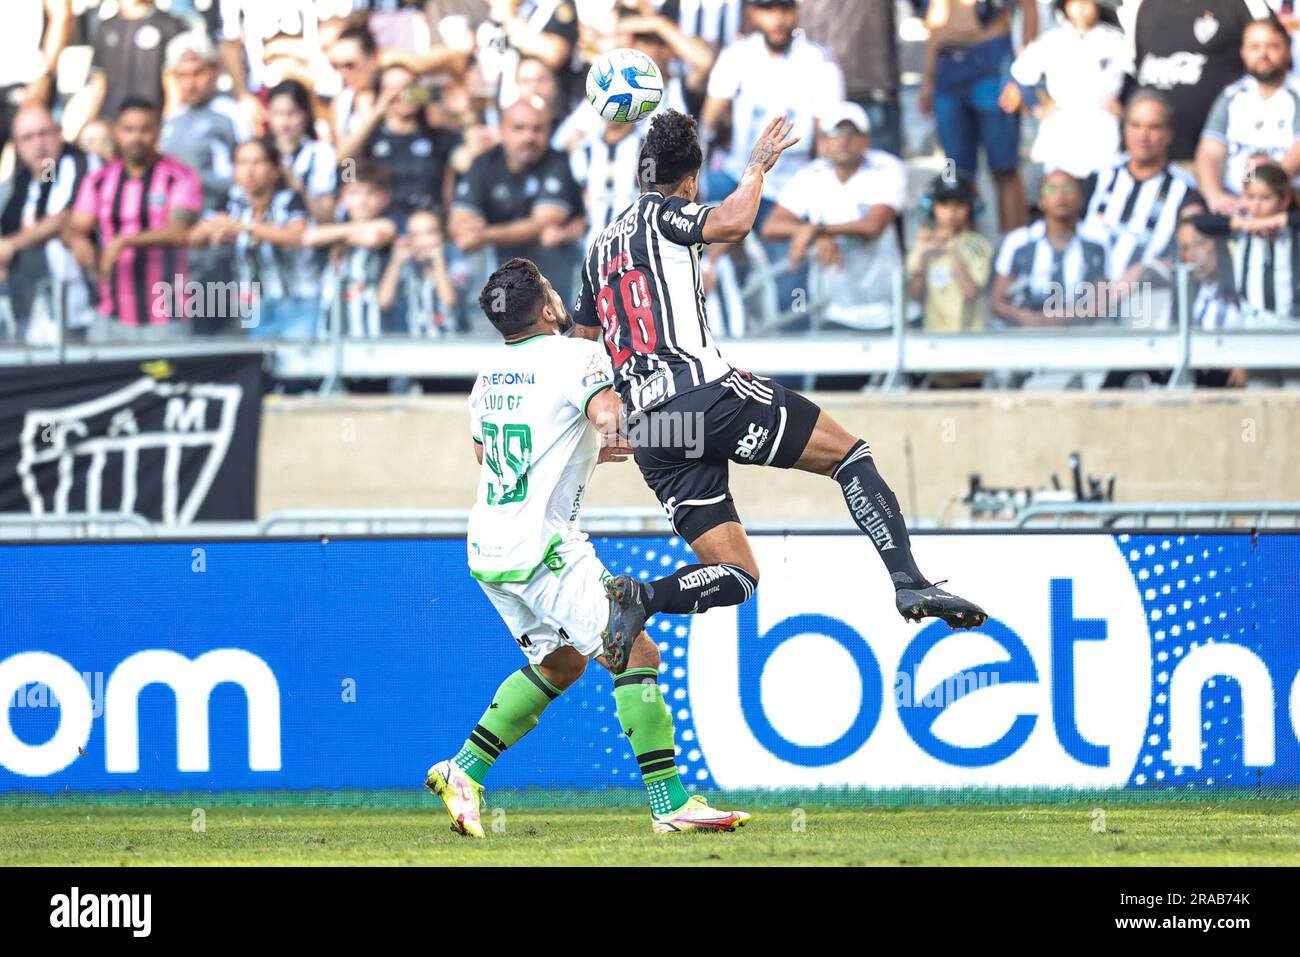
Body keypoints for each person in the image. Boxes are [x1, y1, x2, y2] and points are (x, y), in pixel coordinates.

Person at [570, 110, 988, 673]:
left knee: (736, 575)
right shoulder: (667, 213)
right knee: (848, 454)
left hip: (652, 431)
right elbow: (735, 223)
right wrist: (756, 169)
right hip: (705, 396)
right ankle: (909, 582)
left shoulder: (598, 250)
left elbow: (580, 347)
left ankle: (640, 598)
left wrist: (604, 419)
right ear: (689, 181)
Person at [426, 256, 752, 837]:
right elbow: (611, 419)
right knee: (636, 653)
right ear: (550, 309)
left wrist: (577, 450)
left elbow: (488, 455)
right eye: (554, 291)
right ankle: (669, 804)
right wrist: (679, 434)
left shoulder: (488, 377)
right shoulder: (579, 355)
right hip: (546, 547)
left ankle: (462, 769)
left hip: (489, 548)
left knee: (561, 662)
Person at [760, 101, 907, 333]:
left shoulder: (887, 168)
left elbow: (873, 226)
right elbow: (771, 226)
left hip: (891, 311)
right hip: (836, 311)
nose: (843, 140)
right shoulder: (810, 175)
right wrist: (808, 232)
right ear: (823, 142)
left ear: (866, 139)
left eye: (851, 133)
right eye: (835, 133)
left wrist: (817, 230)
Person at [62, 97, 202, 339]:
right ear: (116, 132)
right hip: (109, 313)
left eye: (145, 129)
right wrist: (77, 241)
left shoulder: (180, 177)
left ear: (158, 132)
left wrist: (124, 241)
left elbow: (178, 231)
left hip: (167, 315)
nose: (136, 137)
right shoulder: (99, 181)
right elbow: (75, 226)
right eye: (129, 129)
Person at [700, 0, 844, 215]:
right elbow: (707, 123)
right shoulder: (737, 54)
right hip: (737, 174)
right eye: (768, 9)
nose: (778, 19)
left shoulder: (817, 60)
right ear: (753, 13)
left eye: (785, 9)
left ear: (796, 12)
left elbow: (828, 134)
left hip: (793, 183)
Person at [450, 97, 586, 306]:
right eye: (519, 128)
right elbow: (459, 219)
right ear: (502, 131)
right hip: (498, 279)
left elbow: (543, 224)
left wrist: (484, 235)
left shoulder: (558, 162)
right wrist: (468, 230)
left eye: (537, 129)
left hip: (551, 285)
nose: (528, 137)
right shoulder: (484, 163)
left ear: (548, 132)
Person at [920, 0, 1038, 231]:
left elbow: (1029, 7)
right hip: (947, 62)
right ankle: (963, 250)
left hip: (991, 55)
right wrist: (928, 79)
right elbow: (936, 15)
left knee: (1004, 165)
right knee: (953, 169)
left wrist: (1023, 71)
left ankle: (1015, 249)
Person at [190, 139, 317, 339]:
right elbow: (194, 238)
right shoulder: (232, 200)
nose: (249, 171)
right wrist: (214, 228)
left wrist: (245, 227)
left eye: (258, 163)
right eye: (242, 163)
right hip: (252, 305)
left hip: (297, 303)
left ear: (275, 169)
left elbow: (294, 237)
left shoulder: (290, 200)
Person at [0, 104, 99, 341]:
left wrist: (12, 244)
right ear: (16, 144)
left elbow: (65, 218)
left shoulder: (80, 163)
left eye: (44, 133)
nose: (38, 143)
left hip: (80, 305)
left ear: (59, 132)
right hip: (32, 312)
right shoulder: (23, 181)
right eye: (28, 137)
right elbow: (44, 201)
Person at [998, 0, 1127, 180]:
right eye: (1075, 3)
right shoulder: (1052, 40)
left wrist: (1126, 107)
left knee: (1101, 190)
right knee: (1059, 192)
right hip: (1061, 128)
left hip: (1102, 129)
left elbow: (1133, 77)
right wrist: (1037, 106)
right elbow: (1022, 75)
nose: (1081, 9)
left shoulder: (1116, 41)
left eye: (1087, 3)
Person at [1129, 0, 1271, 162]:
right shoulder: (1146, 6)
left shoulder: (1248, 4)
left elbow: (1273, 55)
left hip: (1218, 161)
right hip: (1152, 164)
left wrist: (1252, 179)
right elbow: (1137, 67)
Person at [1082, 89, 1196, 284]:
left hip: (1147, 300)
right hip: (1081, 294)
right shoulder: (1099, 176)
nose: (1143, 135)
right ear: (1124, 128)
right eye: (1135, 125)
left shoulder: (1185, 190)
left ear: (1168, 134)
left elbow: (1187, 254)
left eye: (1153, 127)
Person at [1195, 17, 1300, 216]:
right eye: (1255, 47)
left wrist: (1263, 192)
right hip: (1233, 207)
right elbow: (1210, 151)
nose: (1263, 54)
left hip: (1286, 208)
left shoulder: (1297, 93)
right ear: (1243, 53)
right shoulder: (1231, 95)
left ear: (1287, 49)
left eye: (1273, 46)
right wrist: (1214, 196)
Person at [338, 62, 463, 227]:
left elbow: (468, 163)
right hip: (381, 228)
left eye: (410, 88)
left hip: (428, 229)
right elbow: (344, 162)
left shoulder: (437, 136)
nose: (403, 94)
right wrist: (377, 112)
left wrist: (466, 115)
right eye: (392, 89)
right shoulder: (369, 138)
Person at [990, 169, 1111, 327]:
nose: (1060, 195)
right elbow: (997, 302)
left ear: (1081, 199)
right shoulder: (1018, 242)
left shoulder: (1096, 243)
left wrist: (1064, 317)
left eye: (1067, 188)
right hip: (1025, 337)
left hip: (1080, 338)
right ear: (1041, 201)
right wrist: (1026, 318)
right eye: (1051, 189)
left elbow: (1103, 301)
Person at [1190, 160, 1300, 321]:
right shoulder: (1242, 228)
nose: (1256, 205)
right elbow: (1201, 222)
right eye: (1251, 197)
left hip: (1294, 321)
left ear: (1284, 200)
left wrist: (1277, 220)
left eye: (1265, 198)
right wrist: (1240, 222)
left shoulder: (1293, 230)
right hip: (1251, 322)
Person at [160, 31, 255, 213]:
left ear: (215, 70)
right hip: (175, 220)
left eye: (198, 73)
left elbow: (249, 173)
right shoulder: (173, 118)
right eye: (182, 75)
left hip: (219, 216)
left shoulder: (232, 114)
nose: (190, 83)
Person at [304, 159, 400, 338]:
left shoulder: (388, 225)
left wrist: (340, 236)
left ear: (385, 198)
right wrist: (355, 231)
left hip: (374, 330)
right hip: (330, 332)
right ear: (343, 197)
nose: (362, 201)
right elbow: (309, 237)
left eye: (370, 193)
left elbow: (375, 237)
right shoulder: (338, 228)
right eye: (355, 193)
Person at [907, 172, 993, 335]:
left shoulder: (978, 246)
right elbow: (914, 294)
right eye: (944, 204)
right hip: (933, 337)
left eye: (959, 204)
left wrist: (953, 252)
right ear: (931, 208)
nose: (951, 212)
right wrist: (922, 256)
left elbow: (970, 293)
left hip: (971, 336)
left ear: (971, 208)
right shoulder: (922, 244)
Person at [0, 0, 72, 156]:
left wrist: (45, 75)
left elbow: (62, 14)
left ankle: (50, 180)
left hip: (30, 79)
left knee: (43, 154)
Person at [377, 209, 460, 335]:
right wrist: (396, 262)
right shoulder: (407, 268)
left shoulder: (455, 262)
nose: (423, 240)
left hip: (454, 345)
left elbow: (449, 302)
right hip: (415, 346)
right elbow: (384, 302)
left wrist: (438, 261)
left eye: (430, 233)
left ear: (443, 235)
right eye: (415, 235)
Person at [267, 80, 338, 225]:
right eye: (278, 114)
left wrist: (297, 186)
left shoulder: (321, 152)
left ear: (306, 114)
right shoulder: (261, 151)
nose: (284, 123)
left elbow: (326, 216)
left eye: (292, 113)